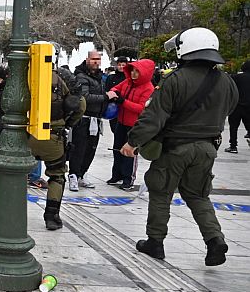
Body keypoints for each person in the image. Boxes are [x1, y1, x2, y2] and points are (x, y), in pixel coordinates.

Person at [122, 27, 238, 266]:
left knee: (161, 192)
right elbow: (230, 107)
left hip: (175, 148)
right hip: (207, 148)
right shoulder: (226, 81)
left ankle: (155, 242)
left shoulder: (175, 79)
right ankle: (215, 240)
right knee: (198, 195)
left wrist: (133, 141)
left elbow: (154, 117)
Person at [28, 65, 85, 230]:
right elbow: (80, 105)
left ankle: (10, 215)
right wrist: (67, 124)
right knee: (57, 176)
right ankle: (51, 217)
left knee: (16, 173)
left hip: (25, 136)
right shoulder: (63, 77)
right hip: (53, 136)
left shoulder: (24, 74)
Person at [106, 59, 155, 190]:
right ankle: (116, 174)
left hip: (134, 125)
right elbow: (115, 88)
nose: (133, 73)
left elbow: (141, 108)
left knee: (130, 153)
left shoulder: (148, 88)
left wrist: (123, 102)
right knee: (117, 149)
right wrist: (114, 93)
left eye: (137, 71)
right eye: (132, 70)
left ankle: (128, 178)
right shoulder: (127, 82)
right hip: (121, 121)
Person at [69, 50, 112, 191]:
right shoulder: (81, 76)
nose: (96, 62)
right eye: (93, 59)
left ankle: (82, 174)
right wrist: (106, 97)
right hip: (83, 119)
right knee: (79, 148)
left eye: (98, 59)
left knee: (91, 149)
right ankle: (74, 175)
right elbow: (85, 97)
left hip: (96, 119)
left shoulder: (99, 77)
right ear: (87, 59)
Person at [225, 60, 250, 153]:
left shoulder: (236, 77)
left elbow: (230, 89)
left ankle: (233, 146)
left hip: (237, 106)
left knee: (233, 127)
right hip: (249, 107)